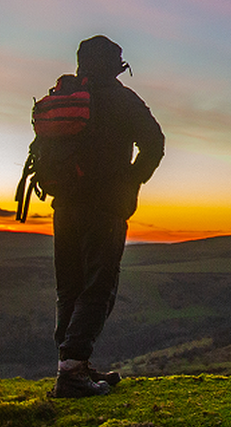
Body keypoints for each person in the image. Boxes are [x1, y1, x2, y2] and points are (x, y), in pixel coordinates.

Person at [49, 35, 165, 398]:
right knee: (98, 289)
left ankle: (73, 365)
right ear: (116, 65)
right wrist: (131, 180)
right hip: (104, 209)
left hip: (63, 206)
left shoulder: (65, 96)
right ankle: (72, 371)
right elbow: (155, 143)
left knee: (70, 287)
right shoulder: (122, 99)